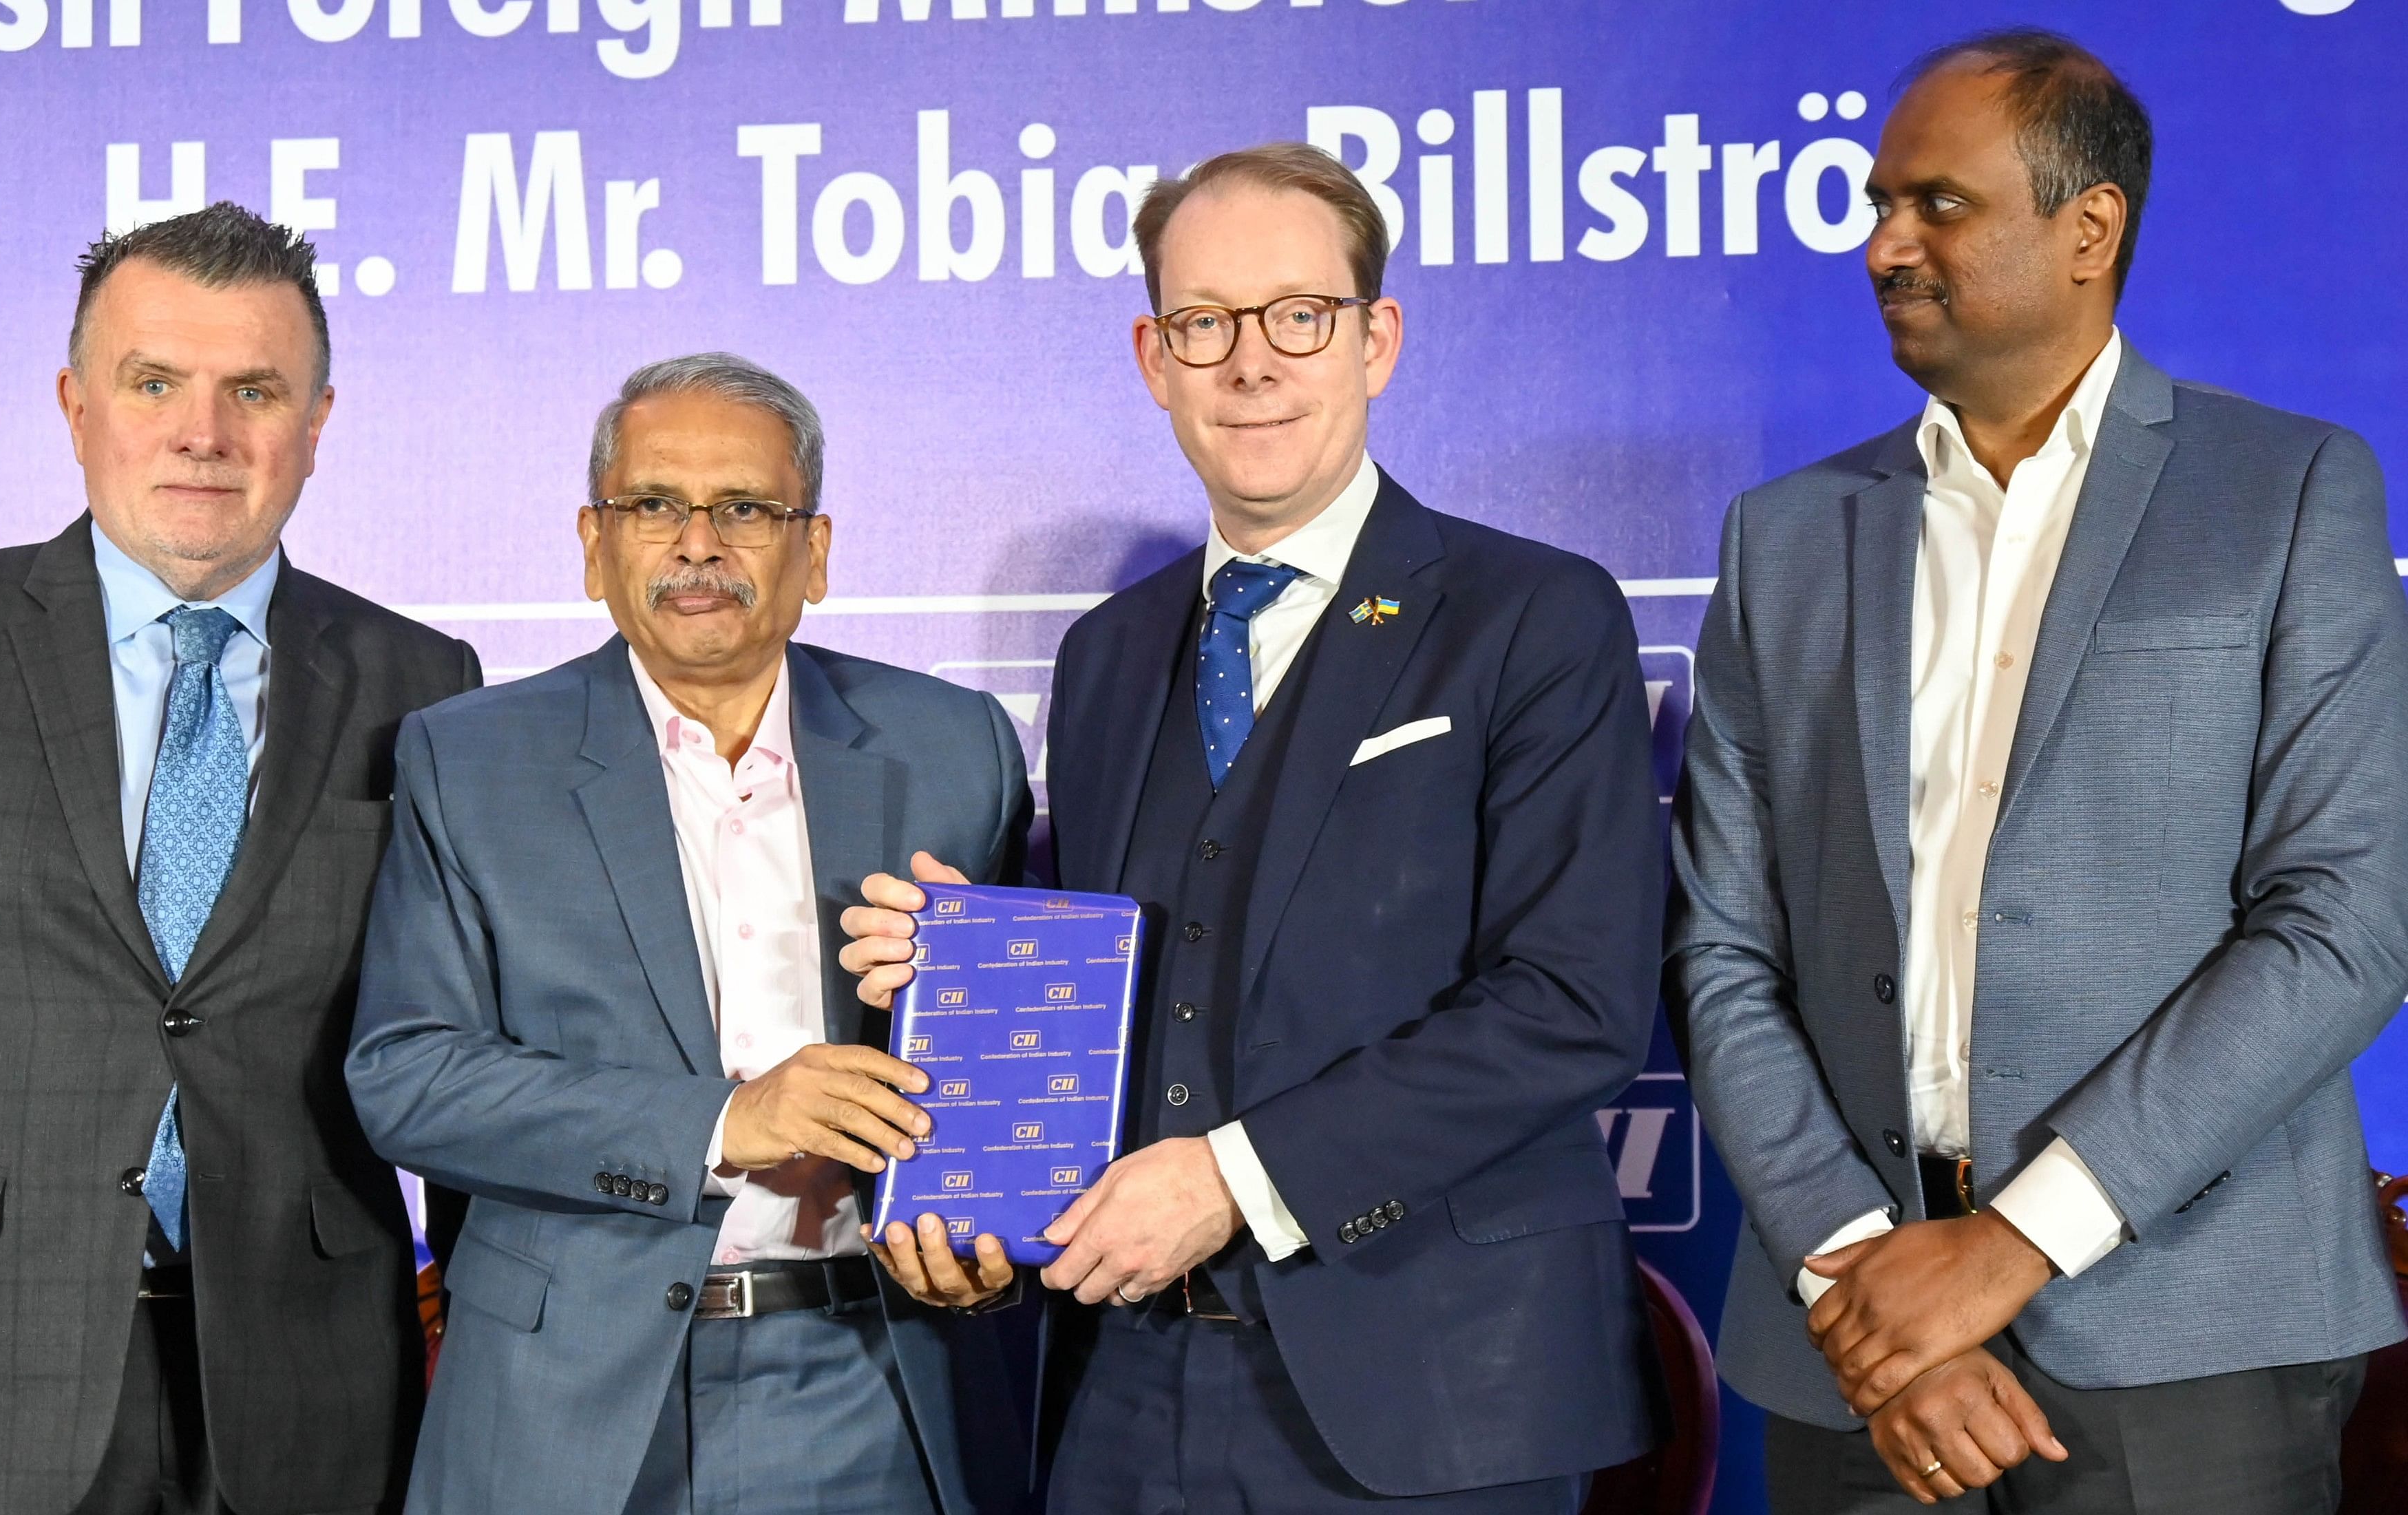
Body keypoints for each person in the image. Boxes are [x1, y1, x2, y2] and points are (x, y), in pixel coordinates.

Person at [841, 142, 1663, 1512]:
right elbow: (1139, 981)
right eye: (1204, 323)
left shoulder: (1533, 616)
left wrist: (1235, 1180)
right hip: (1126, 1382)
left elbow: (1571, 1005)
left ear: (1374, 340)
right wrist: (964, 978)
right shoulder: (1111, 650)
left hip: (1431, 1392)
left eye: (1299, 315)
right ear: (1154, 356)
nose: (1252, 363)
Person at [1669, 29, 2408, 1512]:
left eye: (1936, 204)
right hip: (1856, 1351)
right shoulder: (1786, 538)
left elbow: (2344, 925)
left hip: (2191, 1340)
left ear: (2090, 229)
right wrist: (1867, 1286)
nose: (1884, 244)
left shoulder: (2289, 492)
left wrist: (2012, 1246)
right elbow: (1725, 952)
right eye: (1881, 203)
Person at [0, 202, 480, 1515]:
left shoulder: (425, 685)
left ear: (318, 423)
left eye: (256, 389)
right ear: (77, 406)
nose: (205, 430)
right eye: (154, 382)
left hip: (321, 1405)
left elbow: (467, 1066)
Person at [343, 353, 1035, 1514]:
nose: (698, 543)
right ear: (593, 541)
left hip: (876, 1387)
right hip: (565, 1403)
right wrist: (724, 1121)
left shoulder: (955, 746)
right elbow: (406, 1076)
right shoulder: (467, 759)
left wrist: (995, 1235)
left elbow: (1019, 1067)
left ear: (814, 550)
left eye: (747, 509)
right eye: (654, 504)